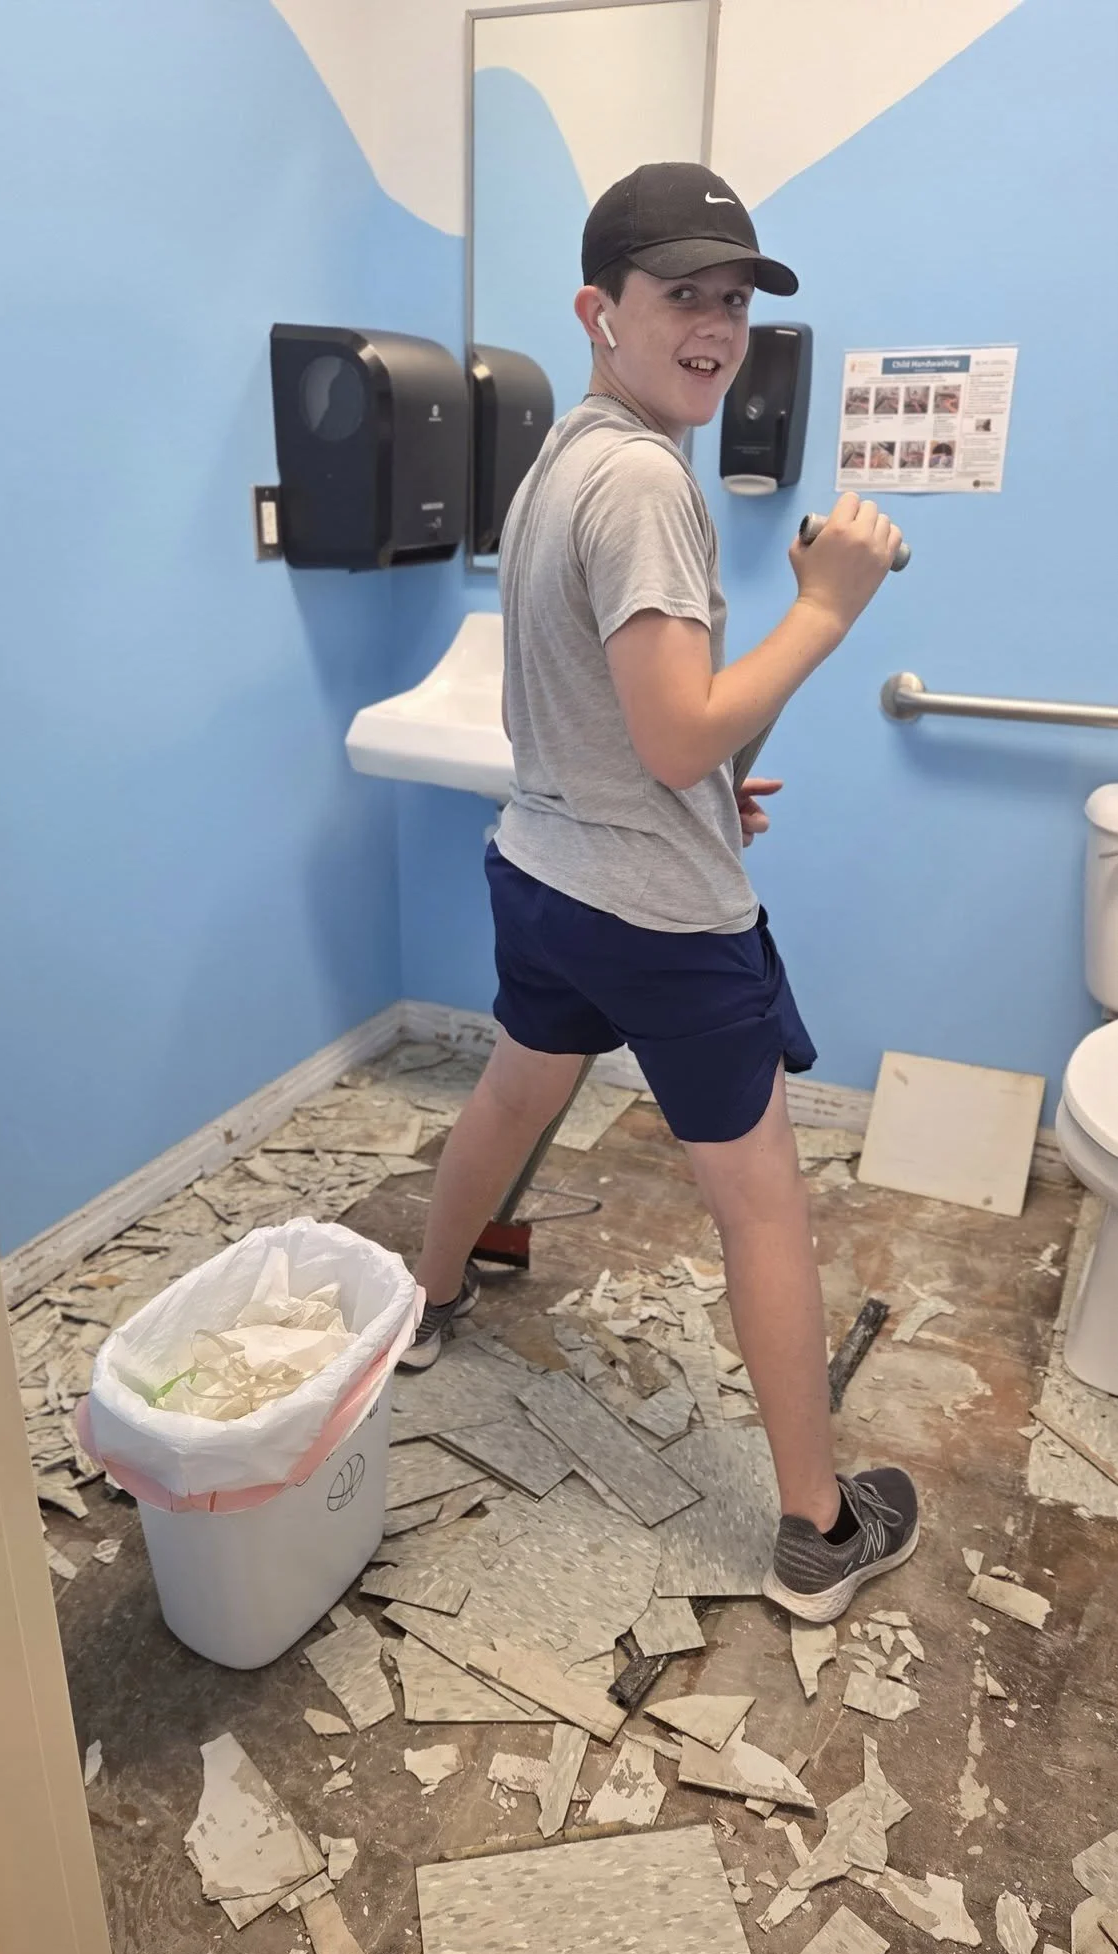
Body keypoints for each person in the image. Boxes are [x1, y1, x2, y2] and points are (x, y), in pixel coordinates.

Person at [400, 162, 917, 1622]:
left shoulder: (574, 453)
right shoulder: (642, 483)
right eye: (681, 294)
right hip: (663, 923)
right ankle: (818, 1532)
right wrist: (826, 608)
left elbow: (630, 721)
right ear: (598, 308)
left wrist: (691, 790)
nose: (715, 325)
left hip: (547, 871)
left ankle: (428, 1302)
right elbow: (680, 725)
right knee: (760, 1206)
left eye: (735, 299)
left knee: (512, 1091)